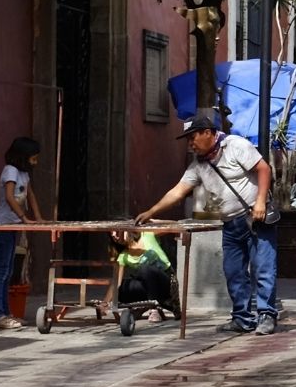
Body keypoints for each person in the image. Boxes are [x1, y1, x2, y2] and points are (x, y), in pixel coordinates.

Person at [139, 109, 279, 336]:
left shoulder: (235, 145)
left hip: (255, 218)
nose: (190, 144)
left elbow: (264, 169)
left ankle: (267, 316)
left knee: (263, 269)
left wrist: (261, 202)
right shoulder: (199, 165)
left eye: (193, 137)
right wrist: (151, 211)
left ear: (207, 133)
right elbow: (178, 191)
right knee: (234, 272)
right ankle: (242, 318)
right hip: (231, 225)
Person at [0, 137, 42, 331]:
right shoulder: (10, 170)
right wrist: (24, 217)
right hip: (3, 225)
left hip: (14, 225)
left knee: (8, 271)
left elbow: (30, 195)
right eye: (33, 158)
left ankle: (6, 312)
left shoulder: (24, 174)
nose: (35, 162)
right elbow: (10, 197)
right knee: (1, 271)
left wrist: (38, 217)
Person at [110, 230, 176, 314]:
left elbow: (170, 227)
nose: (114, 235)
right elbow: (116, 283)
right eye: (111, 234)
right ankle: (156, 302)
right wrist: (105, 303)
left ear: (127, 229)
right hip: (148, 286)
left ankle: (154, 309)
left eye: (116, 231)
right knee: (123, 287)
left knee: (145, 269)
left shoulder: (147, 235)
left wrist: (150, 218)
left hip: (165, 283)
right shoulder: (123, 256)